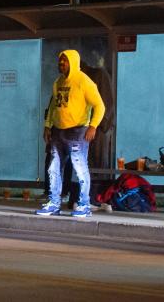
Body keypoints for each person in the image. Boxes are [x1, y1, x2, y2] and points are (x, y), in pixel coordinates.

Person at [37, 49, 106, 218]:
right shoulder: (58, 82)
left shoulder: (84, 81)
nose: (61, 63)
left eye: (64, 61)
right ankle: (54, 202)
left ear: (73, 62)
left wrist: (93, 126)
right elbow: (53, 106)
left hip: (77, 131)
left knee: (80, 168)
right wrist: (47, 126)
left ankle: (84, 204)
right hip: (58, 131)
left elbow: (100, 105)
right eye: (60, 60)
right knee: (54, 168)